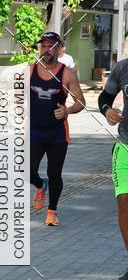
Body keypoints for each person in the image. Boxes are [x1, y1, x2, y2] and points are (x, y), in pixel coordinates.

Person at [30, 31, 85, 226]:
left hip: (57, 134)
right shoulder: (29, 71)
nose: (46, 50)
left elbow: (81, 102)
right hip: (33, 132)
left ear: (59, 49)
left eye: (50, 46)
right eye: (43, 46)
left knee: (54, 173)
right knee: (26, 170)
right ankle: (39, 185)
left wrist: (68, 110)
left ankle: (52, 212)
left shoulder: (66, 73)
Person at [98, 59, 128, 280]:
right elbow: (104, 98)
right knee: (124, 203)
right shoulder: (123, 68)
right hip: (125, 146)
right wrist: (107, 111)